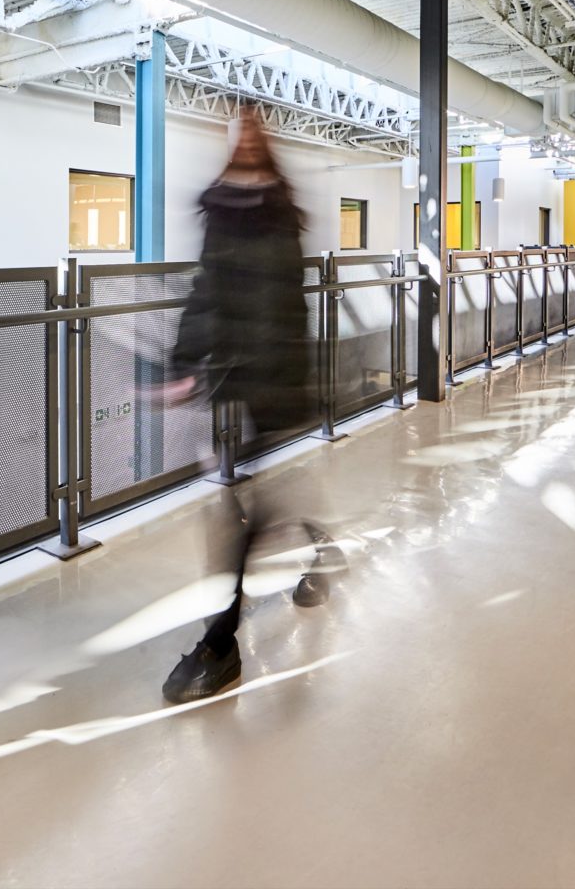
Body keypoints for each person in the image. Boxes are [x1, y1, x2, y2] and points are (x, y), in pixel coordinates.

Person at [158, 107, 337, 705]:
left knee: (245, 506)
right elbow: (207, 288)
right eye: (241, 141)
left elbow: (286, 302)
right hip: (233, 373)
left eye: (257, 141)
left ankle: (223, 638)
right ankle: (319, 547)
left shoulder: (280, 213)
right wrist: (186, 360)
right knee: (249, 499)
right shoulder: (221, 212)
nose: (249, 149)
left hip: (273, 372)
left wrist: (282, 373)